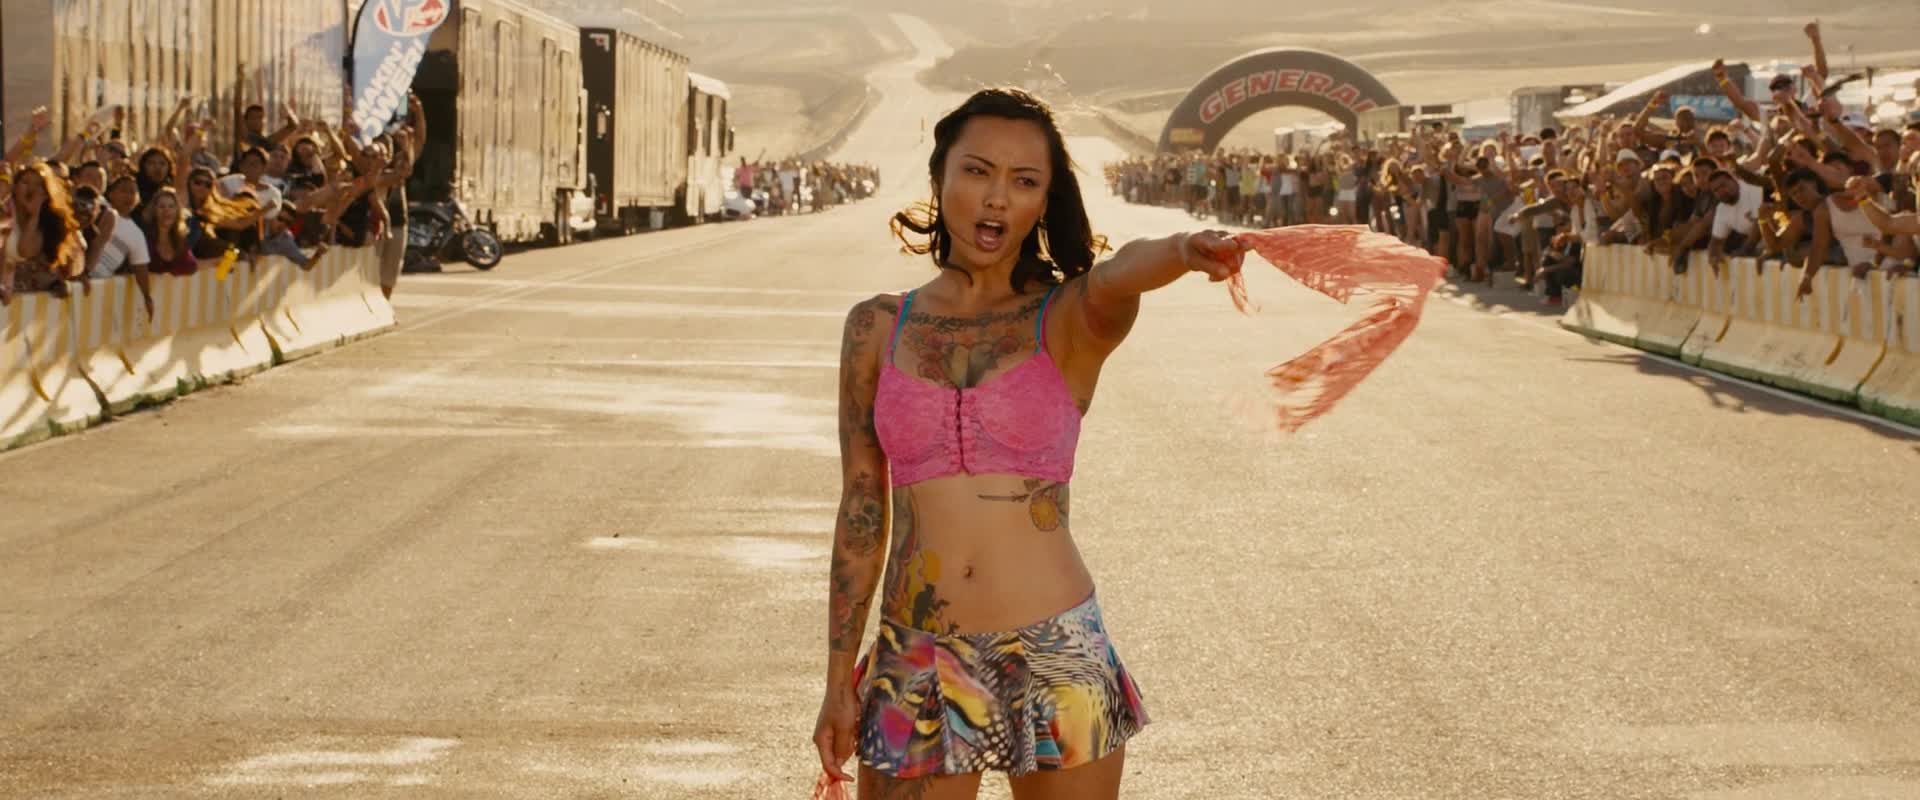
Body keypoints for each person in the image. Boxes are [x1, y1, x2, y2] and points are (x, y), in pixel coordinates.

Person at [813, 87, 1244, 800]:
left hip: (1056, 653)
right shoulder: (877, 326)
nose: (996, 197)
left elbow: (1123, 271)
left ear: (1045, 201)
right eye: (977, 171)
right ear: (940, 176)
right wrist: (837, 683)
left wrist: (1182, 249)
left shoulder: (1069, 317)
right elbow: (862, 509)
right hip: (915, 656)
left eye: (1024, 181)